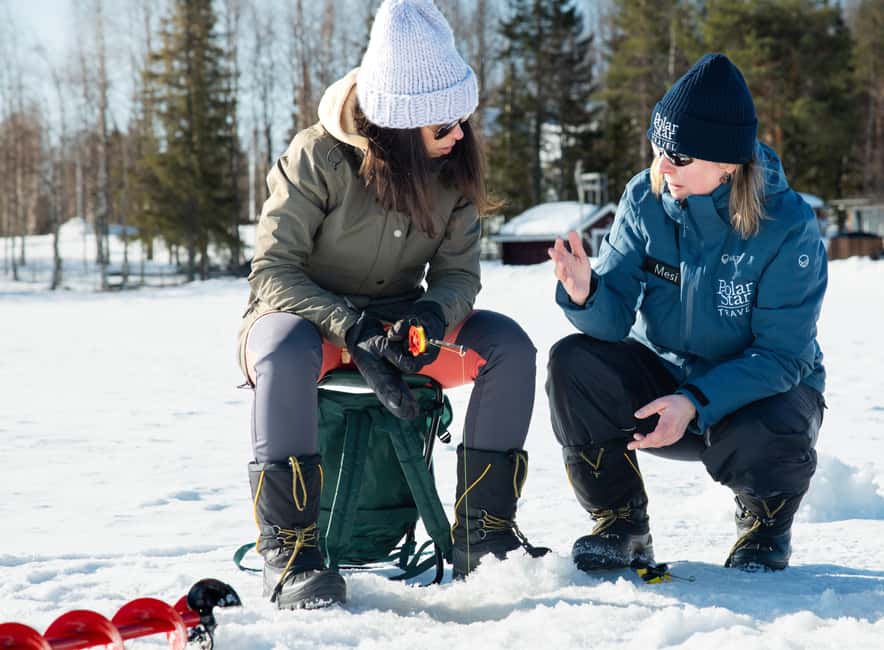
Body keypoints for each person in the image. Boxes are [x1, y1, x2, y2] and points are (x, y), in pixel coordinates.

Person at [237, 0, 544, 610]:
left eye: (462, 121)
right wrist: (349, 328)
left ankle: (485, 538)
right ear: (401, 125)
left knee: (508, 345)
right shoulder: (316, 158)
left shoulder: (451, 173)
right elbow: (273, 270)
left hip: (407, 333)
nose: (460, 136)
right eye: (443, 126)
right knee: (283, 349)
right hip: (311, 326)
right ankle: (292, 553)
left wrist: (431, 318)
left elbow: (459, 277)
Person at [546, 53, 827, 573]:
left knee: (777, 418)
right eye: (658, 147)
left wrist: (694, 401)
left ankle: (764, 527)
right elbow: (611, 325)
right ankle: (620, 523)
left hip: (756, 395)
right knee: (574, 361)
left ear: (726, 162)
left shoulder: (787, 226)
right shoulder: (644, 198)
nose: (663, 165)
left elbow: (782, 355)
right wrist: (587, 294)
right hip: (665, 386)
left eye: (679, 155)